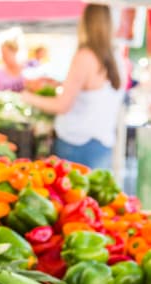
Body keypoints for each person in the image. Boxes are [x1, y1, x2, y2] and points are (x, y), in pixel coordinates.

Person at [22, 4, 124, 169]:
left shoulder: (85, 56)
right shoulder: (115, 55)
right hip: (102, 143)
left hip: (76, 144)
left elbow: (62, 105)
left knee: (72, 194)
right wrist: (61, 85)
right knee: (98, 194)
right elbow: (95, 90)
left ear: (86, 23)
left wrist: (27, 97)